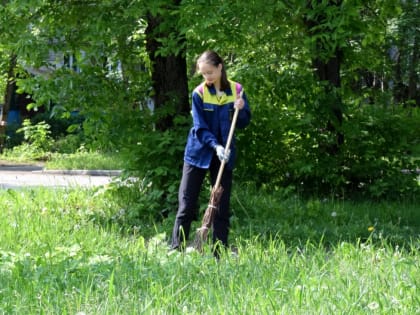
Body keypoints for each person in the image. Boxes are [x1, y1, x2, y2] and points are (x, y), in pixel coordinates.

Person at [170, 50, 251, 254]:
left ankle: (219, 251)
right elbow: (200, 127)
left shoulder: (237, 90)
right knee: (187, 203)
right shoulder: (199, 93)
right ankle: (176, 247)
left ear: (220, 67)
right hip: (199, 153)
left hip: (224, 156)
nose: (207, 77)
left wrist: (241, 109)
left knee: (221, 205)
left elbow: (243, 122)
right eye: (204, 73)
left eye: (210, 72)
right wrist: (215, 146)